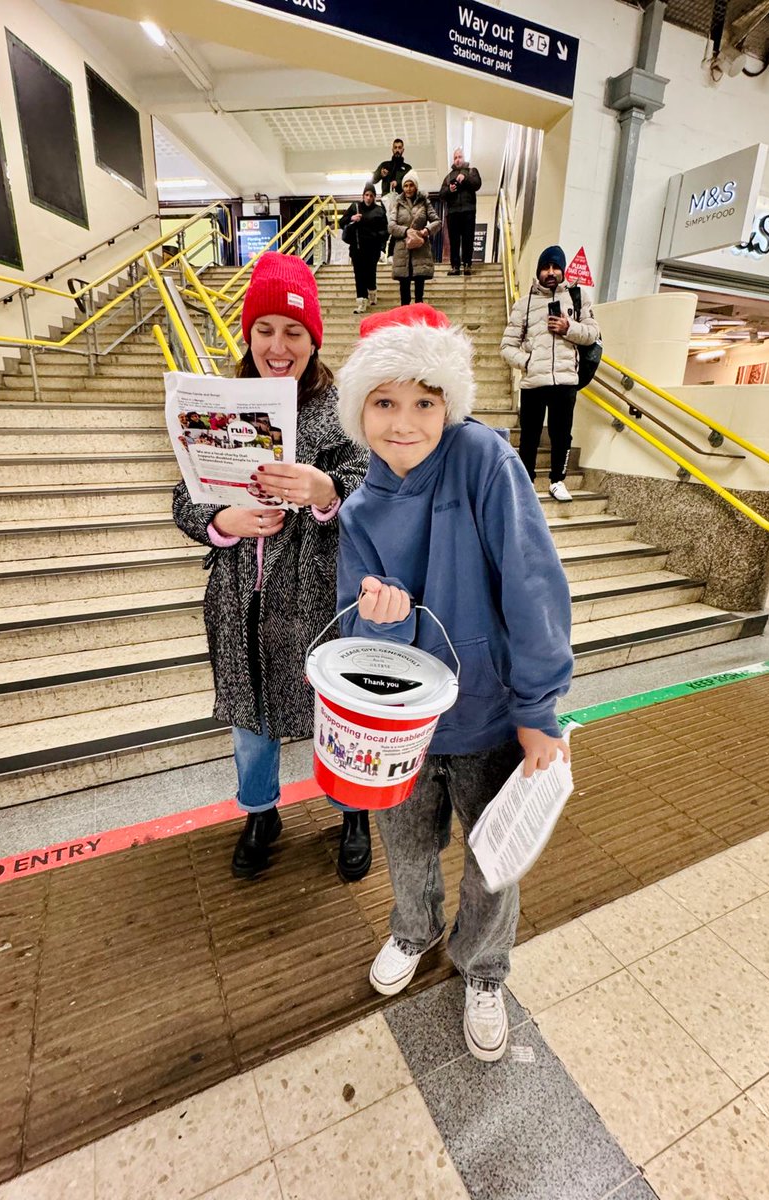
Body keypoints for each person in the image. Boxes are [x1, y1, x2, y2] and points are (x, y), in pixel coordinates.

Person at [335, 303, 573, 1061]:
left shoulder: (483, 461)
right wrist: (380, 625)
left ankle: (483, 967)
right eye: (384, 402)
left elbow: (532, 584)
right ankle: (413, 931)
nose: (403, 423)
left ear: (449, 403)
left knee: (492, 859)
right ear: (360, 409)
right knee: (405, 850)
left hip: (491, 719)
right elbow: (351, 637)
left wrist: (537, 707)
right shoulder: (361, 508)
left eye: (424, 402)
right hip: (398, 734)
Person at [172, 252, 371, 882]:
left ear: (314, 340)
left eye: (294, 333)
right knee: (249, 715)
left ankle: (352, 810)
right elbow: (184, 498)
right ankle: (260, 811)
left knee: (333, 710)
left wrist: (323, 491)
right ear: (247, 333)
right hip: (239, 600)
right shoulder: (216, 404)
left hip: (314, 599)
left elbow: (371, 492)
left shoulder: (344, 410)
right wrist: (221, 522)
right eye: (265, 330)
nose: (278, 346)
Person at [499, 245, 601, 502]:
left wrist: (569, 328)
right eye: (546, 267)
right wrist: (528, 361)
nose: (551, 272)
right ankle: (526, 481)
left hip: (566, 379)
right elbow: (506, 347)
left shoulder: (578, 298)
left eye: (556, 267)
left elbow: (592, 335)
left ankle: (558, 480)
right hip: (534, 381)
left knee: (561, 433)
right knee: (530, 434)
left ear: (563, 270)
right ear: (539, 271)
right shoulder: (525, 304)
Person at [388, 171, 441, 307]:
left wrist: (427, 230)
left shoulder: (425, 202)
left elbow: (437, 222)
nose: (408, 188)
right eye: (406, 185)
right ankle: (405, 324)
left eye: (411, 185)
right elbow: (391, 226)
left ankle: (418, 323)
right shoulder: (397, 204)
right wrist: (406, 231)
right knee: (404, 299)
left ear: (416, 187)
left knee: (419, 298)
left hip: (420, 251)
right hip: (402, 251)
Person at [340, 183, 388, 314]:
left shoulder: (379, 210)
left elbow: (386, 230)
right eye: (366, 195)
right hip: (357, 248)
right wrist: (351, 218)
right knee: (359, 275)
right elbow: (341, 222)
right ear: (363, 196)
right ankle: (361, 301)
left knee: (370, 273)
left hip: (373, 249)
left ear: (374, 197)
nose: (368, 198)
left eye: (371, 195)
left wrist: (379, 242)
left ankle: (372, 291)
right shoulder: (355, 207)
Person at [439, 148, 481, 276]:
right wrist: (450, 190)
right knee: (454, 240)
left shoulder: (472, 171)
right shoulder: (448, 177)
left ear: (464, 158)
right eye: (455, 157)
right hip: (453, 213)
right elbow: (441, 194)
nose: (458, 160)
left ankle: (467, 264)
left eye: (460, 157)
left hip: (469, 210)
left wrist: (465, 178)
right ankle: (455, 266)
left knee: (468, 238)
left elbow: (477, 184)